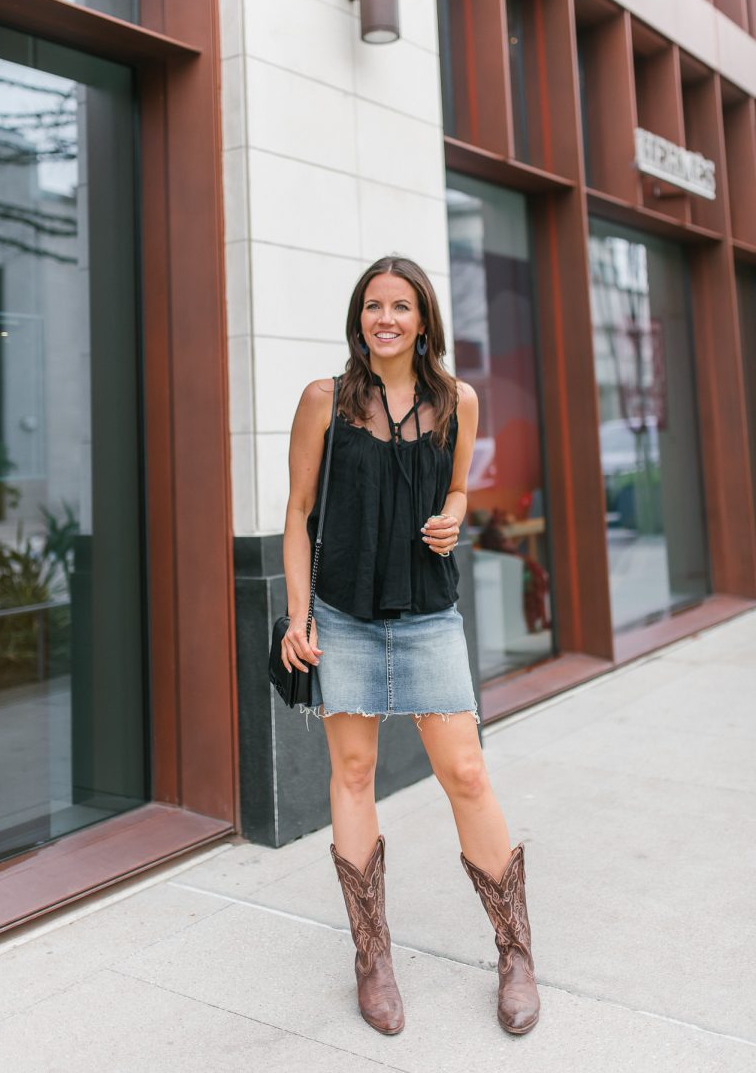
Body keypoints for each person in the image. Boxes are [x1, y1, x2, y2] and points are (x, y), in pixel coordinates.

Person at [280, 255, 540, 1037]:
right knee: (353, 772)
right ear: (358, 317)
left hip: (428, 612)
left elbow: (458, 486)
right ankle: (372, 955)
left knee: (465, 770)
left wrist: (456, 511)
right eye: (371, 306)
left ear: (424, 319)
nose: (384, 318)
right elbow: (295, 514)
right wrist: (300, 617)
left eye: (400, 306)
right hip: (345, 613)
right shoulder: (323, 401)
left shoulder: (457, 400)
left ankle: (515, 949)